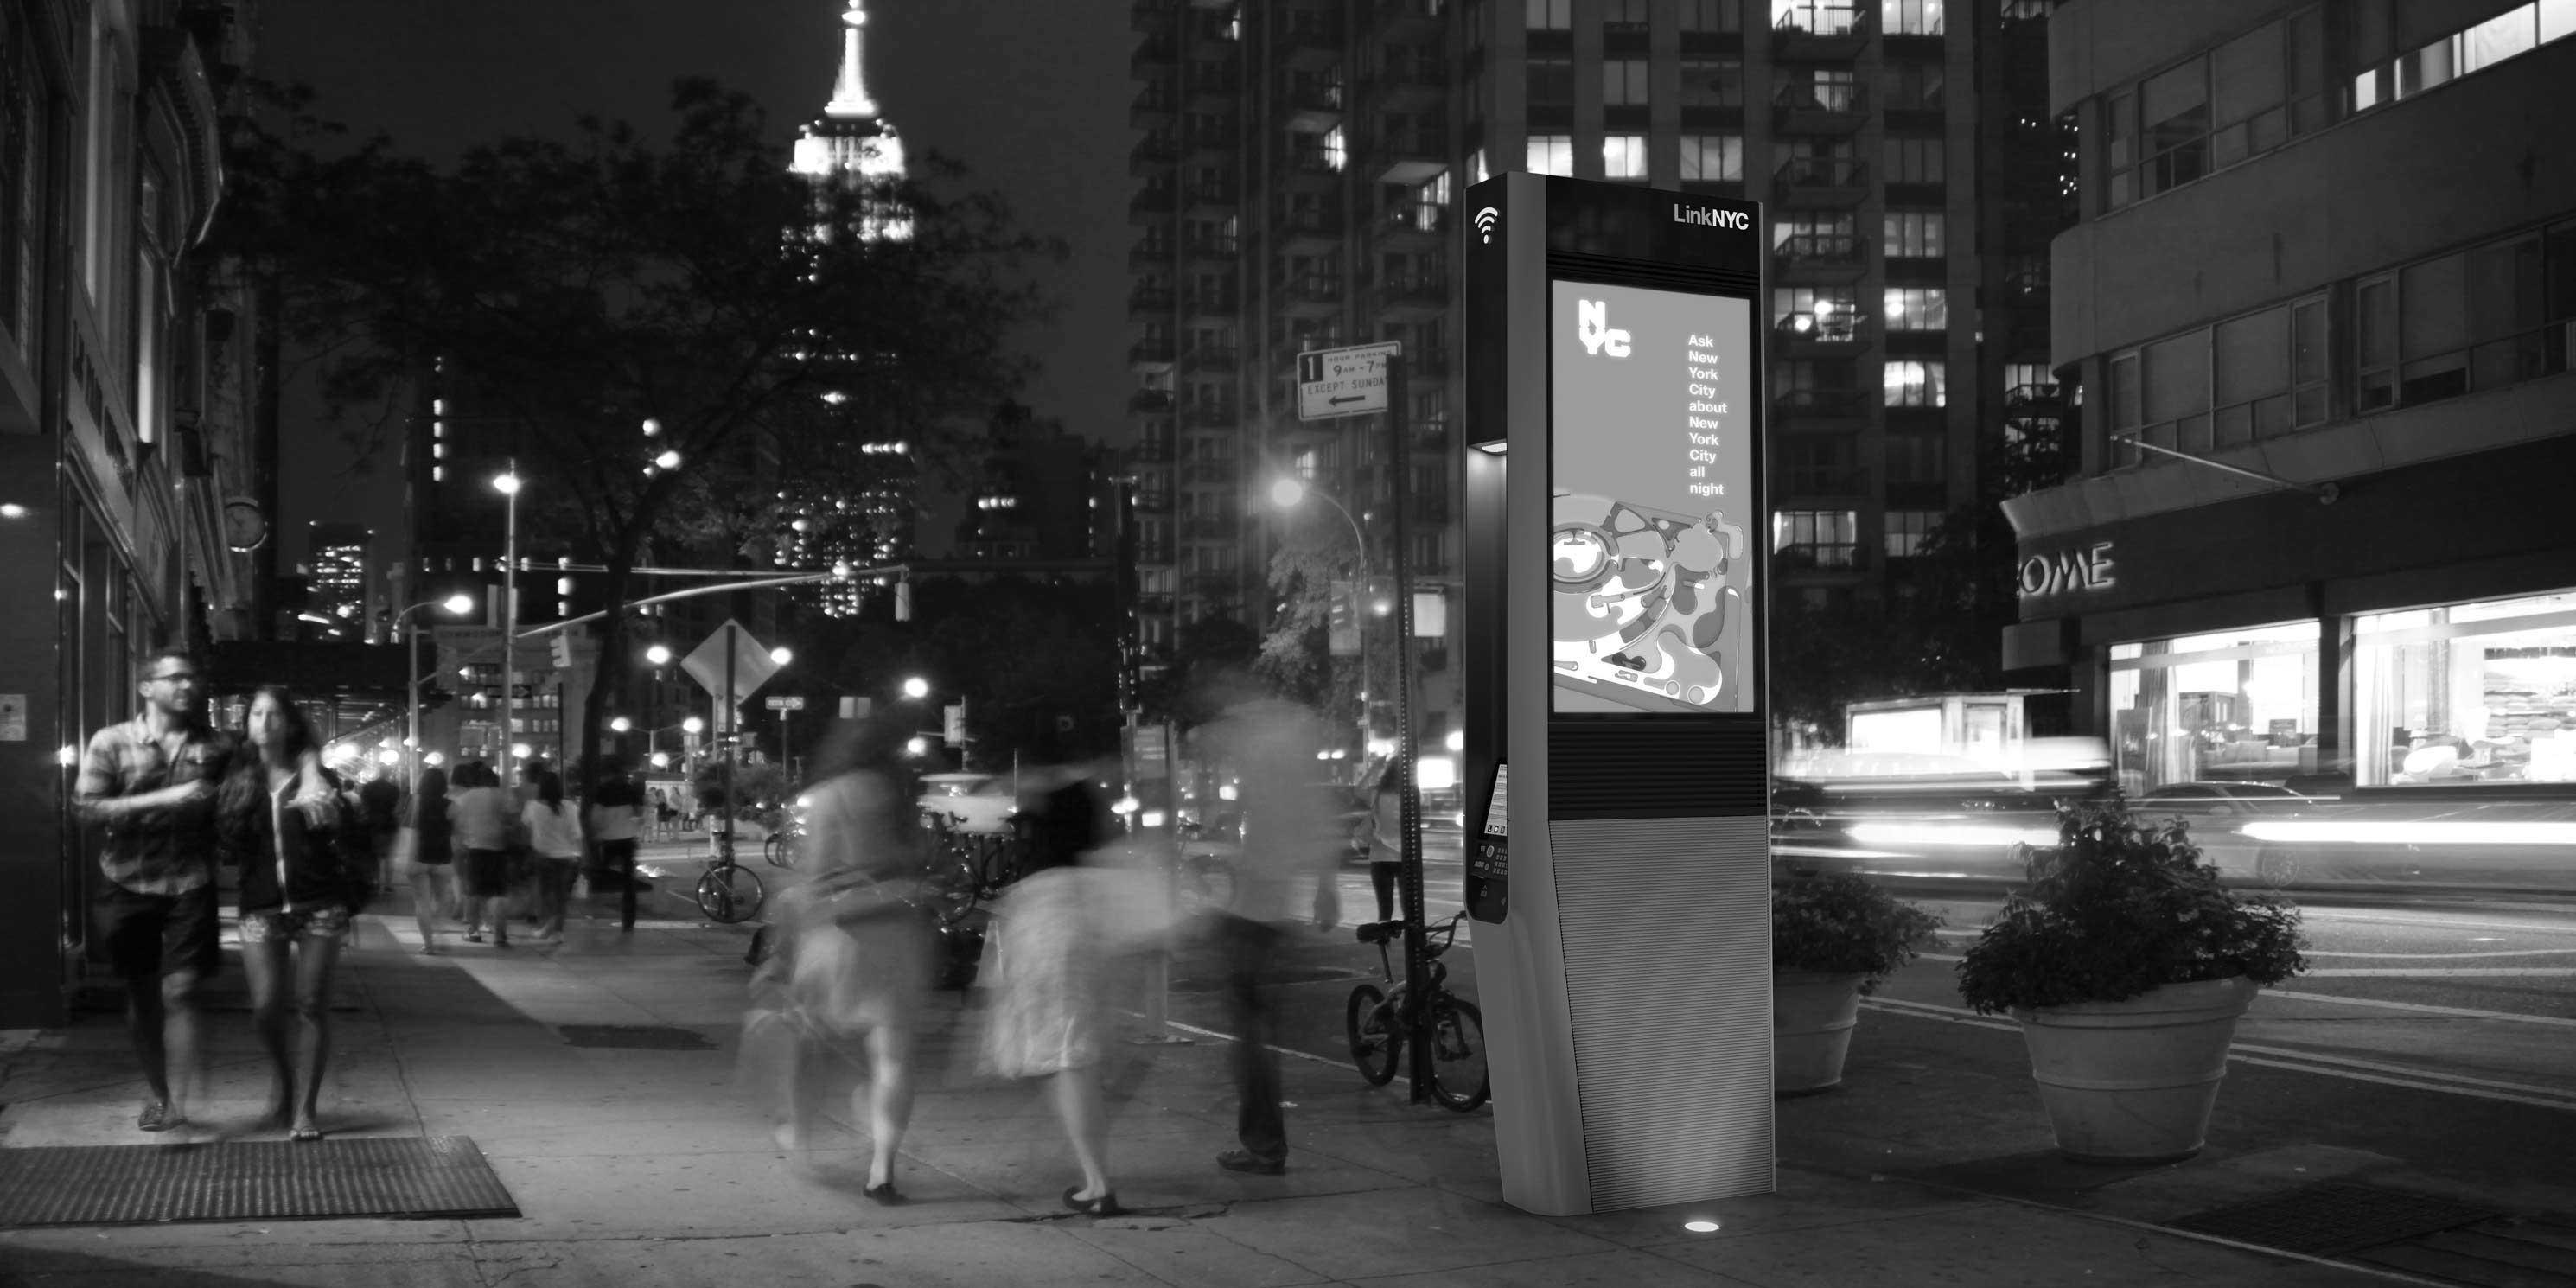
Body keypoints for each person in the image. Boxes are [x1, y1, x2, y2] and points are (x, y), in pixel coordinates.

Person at [73, 647, 316, 1133]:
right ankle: (161, 1095)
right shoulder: (111, 741)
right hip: (126, 880)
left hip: (191, 882)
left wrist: (310, 773)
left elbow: (287, 744)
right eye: (176, 679)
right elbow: (85, 808)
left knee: (181, 989)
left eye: (192, 679)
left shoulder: (218, 745)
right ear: (148, 688)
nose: (188, 687)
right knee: (142, 999)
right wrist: (168, 797)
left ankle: (179, 1104)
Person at [758, 714, 934, 1202]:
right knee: (893, 1059)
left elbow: (814, 872)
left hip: (841, 932)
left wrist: (785, 936)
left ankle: (803, 1140)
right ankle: (882, 1169)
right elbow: (921, 860)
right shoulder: (902, 799)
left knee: (809, 1043)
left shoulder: (832, 795)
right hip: (898, 934)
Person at [1193, 673, 1340, 1176]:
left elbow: (1204, 737)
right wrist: (1325, 888)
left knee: (1250, 1035)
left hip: (1252, 914)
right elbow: (1317, 823)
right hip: (1265, 912)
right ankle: (1264, 1141)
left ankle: (1263, 1144)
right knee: (1254, 1031)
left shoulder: (1265, 754)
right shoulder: (1291, 759)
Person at [215, 686, 364, 1141]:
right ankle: (283, 1081)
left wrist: (338, 810)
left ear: (290, 723)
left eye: (275, 713)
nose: (264, 722)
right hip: (261, 905)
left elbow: (349, 833)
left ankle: (305, 1109)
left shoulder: (319, 778)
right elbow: (227, 847)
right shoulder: (237, 777)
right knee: (263, 1009)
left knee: (311, 1005)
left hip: (319, 903)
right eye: (256, 713)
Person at [981, 770, 1123, 1215]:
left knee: (1065, 1063)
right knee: (1070, 1063)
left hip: (1048, 948)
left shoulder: (1039, 872)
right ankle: (1094, 1177)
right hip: (1075, 944)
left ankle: (1098, 1185)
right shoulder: (1085, 868)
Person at [448, 761, 515, 947]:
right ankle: (500, 935)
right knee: (499, 893)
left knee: (474, 892)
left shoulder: (467, 797)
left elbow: (452, 816)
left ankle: (473, 931)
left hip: (475, 849)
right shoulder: (503, 796)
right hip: (499, 850)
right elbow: (512, 820)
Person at [521, 768, 584, 943]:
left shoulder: (532, 807)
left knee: (545, 893)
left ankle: (545, 928)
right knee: (561, 895)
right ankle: (557, 931)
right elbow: (576, 835)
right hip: (566, 857)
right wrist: (580, 855)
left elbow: (527, 829)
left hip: (542, 855)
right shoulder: (570, 807)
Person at [588, 768, 650, 928]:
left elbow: (596, 816)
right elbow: (640, 815)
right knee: (629, 880)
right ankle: (629, 919)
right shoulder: (632, 791)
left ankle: (594, 911)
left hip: (608, 838)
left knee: (600, 875)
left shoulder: (602, 791)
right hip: (628, 838)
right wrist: (632, 824)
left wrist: (597, 832)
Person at [405, 765, 457, 954]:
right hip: (443, 857)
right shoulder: (451, 805)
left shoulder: (415, 802)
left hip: (419, 857)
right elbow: (455, 832)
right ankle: (439, 933)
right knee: (441, 901)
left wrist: (407, 856)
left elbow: (410, 830)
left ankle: (428, 944)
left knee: (421, 902)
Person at [1365, 768, 1408, 925]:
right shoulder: (1408, 795)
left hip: (1379, 855)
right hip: (1404, 855)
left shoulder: (1375, 795)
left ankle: (1384, 944)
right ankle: (1411, 943)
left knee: (1384, 909)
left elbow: (1360, 791)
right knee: (1409, 908)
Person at [357, 769, 402, 895]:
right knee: (388, 856)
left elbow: (364, 805)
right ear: (389, 774)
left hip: (371, 824)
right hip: (389, 823)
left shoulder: (367, 788)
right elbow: (396, 807)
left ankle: (376, 882)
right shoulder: (394, 789)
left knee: (373, 856)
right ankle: (388, 884)